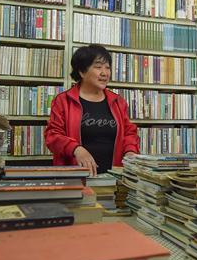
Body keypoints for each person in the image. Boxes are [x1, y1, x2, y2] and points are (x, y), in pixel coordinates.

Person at [45, 44, 139, 175]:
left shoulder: (118, 102)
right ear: (82, 71)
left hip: (114, 178)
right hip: (76, 178)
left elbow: (129, 133)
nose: (104, 73)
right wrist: (76, 149)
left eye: (107, 68)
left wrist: (130, 151)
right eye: (98, 67)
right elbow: (53, 135)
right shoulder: (63, 101)